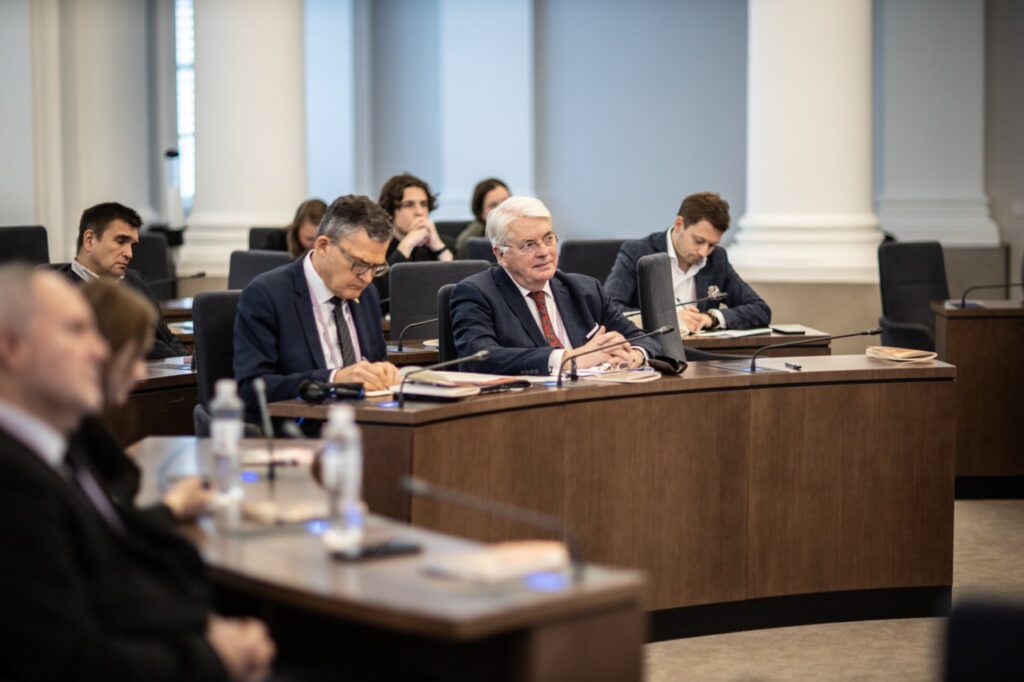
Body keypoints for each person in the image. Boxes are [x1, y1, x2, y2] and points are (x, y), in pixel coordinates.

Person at [0, 265, 275, 682]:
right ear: (12, 347)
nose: (99, 351)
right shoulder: (15, 483)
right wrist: (213, 656)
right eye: (76, 331)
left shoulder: (57, 449)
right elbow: (70, 664)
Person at [234, 195, 399, 425]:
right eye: (359, 264)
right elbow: (252, 389)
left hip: (369, 426)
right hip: (301, 434)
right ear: (323, 246)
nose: (367, 278)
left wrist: (383, 373)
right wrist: (333, 379)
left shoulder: (367, 294)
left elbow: (376, 361)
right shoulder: (267, 295)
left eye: (376, 267)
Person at [450, 196, 661, 376]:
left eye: (548, 238)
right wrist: (570, 358)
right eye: (529, 244)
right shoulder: (476, 293)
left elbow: (645, 339)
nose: (544, 252)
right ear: (501, 254)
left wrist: (634, 355)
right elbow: (479, 358)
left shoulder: (586, 290)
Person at [76, 278, 210, 525]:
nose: (140, 372)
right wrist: (174, 506)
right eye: (134, 356)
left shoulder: (83, 426)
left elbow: (122, 485)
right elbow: (102, 534)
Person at [604, 191, 770, 332]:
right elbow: (610, 310)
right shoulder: (638, 252)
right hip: (652, 350)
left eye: (712, 245)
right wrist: (670, 319)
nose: (704, 252)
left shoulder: (717, 259)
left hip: (701, 350)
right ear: (679, 224)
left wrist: (710, 318)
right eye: (699, 241)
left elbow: (760, 309)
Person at [55, 201, 188, 359]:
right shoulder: (58, 291)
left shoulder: (135, 280)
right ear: (90, 240)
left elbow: (167, 338)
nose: (129, 254)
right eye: (120, 241)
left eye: (132, 245)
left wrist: (188, 364)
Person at [373, 173, 454, 311]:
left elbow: (461, 287)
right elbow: (380, 294)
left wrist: (438, 247)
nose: (419, 212)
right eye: (409, 205)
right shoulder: (376, 247)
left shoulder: (445, 243)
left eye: (424, 204)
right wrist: (406, 245)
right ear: (391, 211)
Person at [455, 178, 511, 256]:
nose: (502, 208)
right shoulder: (470, 241)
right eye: (493, 205)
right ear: (481, 214)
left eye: (506, 201)